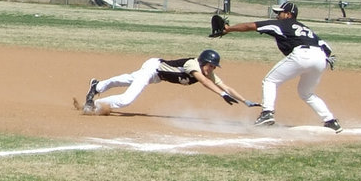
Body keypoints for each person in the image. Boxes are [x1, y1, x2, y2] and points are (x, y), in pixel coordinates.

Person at [219, 1, 342, 132]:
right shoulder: (306, 29)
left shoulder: (282, 24)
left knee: (270, 81)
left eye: (280, 13)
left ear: (288, 14)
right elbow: (326, 48)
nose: (277, 15)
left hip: (302, 54)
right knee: (306, 93)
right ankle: (330, 121)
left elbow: (251, 25)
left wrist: (228, 28)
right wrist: (324, 58)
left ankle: (267, 113)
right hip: (321, 59)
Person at [82, 49, 254, 115]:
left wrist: (245, 101)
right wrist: (221, 94)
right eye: (211, 66)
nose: (212, 70)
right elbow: (203, 82)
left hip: (157, 75)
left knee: (127, 79)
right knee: (127, 99)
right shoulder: (192, 64)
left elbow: (226, 87)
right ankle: (94, 104)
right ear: (203, 62)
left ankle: (97, 86)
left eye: (214, 67)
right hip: (154, 68)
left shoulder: (206, 72)